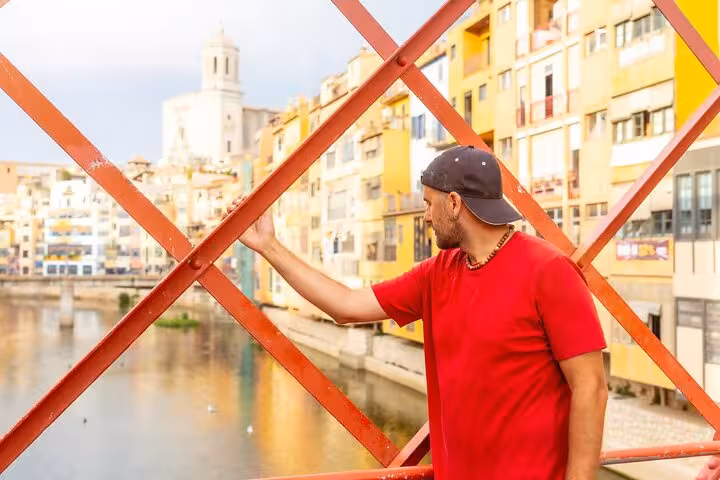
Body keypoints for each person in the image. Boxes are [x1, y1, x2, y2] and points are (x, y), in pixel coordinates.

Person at [225, 145, 608, 480]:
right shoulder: (437, 274)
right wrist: (269, 247)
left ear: (454, 203)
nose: (425, 216)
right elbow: (345, 306)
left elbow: (591, 388)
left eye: (428, 203)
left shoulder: (548, 271)